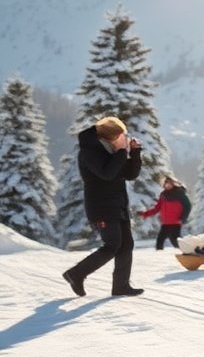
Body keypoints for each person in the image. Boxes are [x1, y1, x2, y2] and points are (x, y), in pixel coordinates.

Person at [61, 116, 144, 297]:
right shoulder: (89, 152)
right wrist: (122, 151)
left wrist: (135, 153)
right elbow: (107, 173)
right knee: (112, 244)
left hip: (118, 204)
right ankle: (76, 274)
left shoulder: (111, 151)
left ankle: (120, 286)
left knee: (126, 244)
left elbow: (129, 174)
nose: (124, 138)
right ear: (110, 137)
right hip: (101, 207)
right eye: (121, 136)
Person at [141, 175, 192, 250]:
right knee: (160, 241)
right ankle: (159, 256)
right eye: (166, 184)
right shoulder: (163, 195)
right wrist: (146, 213)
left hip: (175, 222)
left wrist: (182, 218)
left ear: (173, 184)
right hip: (165, 223)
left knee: (175, 241)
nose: (167, 185)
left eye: (169, 184)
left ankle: (186, 252)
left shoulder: (180, 194)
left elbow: (188, 206)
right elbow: (157, 208)